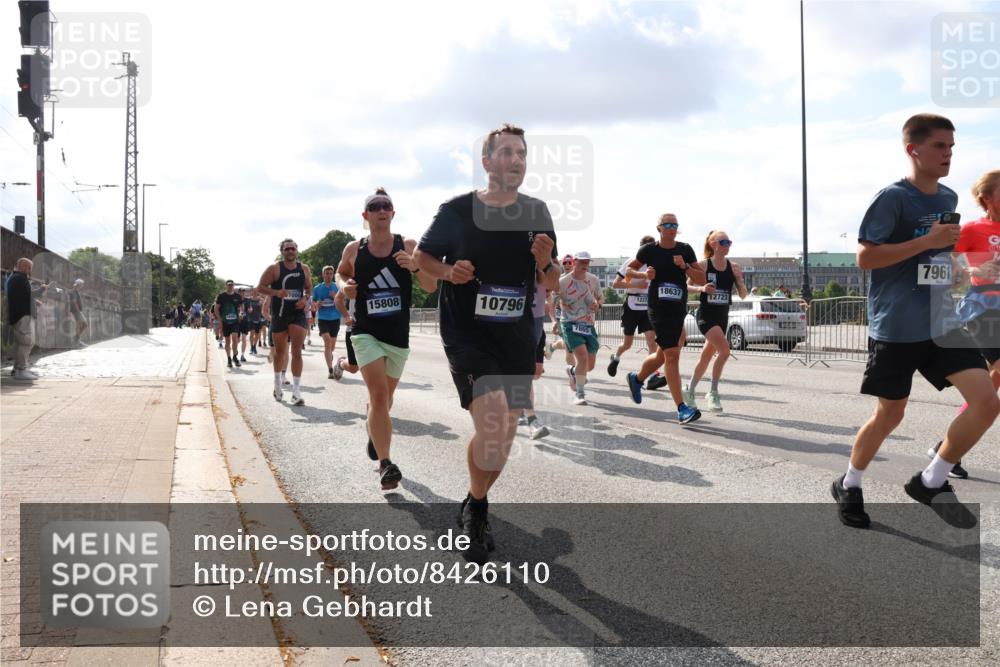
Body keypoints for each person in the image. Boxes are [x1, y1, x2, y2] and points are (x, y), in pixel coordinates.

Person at [832, 113, 999, 530]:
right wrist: (927, 241)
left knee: (987, 402)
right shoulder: (893, 198)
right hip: (896, 326)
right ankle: (849, 483)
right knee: (890, 415)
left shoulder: (948, 198)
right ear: (914, 149)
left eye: (952, 147)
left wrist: (964, 272)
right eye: (940, 146)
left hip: (941, 322)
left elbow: (936, 262)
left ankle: (931, 480)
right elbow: (866, 257)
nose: (948, 154)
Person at [413, 123, 559, 564]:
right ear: (486, 161)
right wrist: (447, 271)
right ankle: (477, 513)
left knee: (503, 439)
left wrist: (544, 261)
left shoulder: (537, 212)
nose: (517, 160)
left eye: (522, 153)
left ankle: (474, 502)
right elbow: (422, 259)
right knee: (493, 423)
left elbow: (549, 281)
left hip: (515, 337)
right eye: (508, 152)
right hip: (467, 332)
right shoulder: (457, 210)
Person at [338, 187, 438, 490]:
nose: (382, 210)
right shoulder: (354, 249)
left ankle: (374, 431)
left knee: (384, 401)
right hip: (366, 330)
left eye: (387, 206)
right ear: (365, 215)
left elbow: (431, 286)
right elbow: (343, 274)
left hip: (397, 335)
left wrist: (415, 265)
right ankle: (385, 464)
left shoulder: (408, 245)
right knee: (379, 396)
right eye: (375, 206)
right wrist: (344, 287)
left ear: (392, 213)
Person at [931, 168, 1000, 478]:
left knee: (991, 385)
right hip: (982, 306)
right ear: (987, 198)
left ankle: (947, 447)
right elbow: (946, 264)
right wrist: (975, 272)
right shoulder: (973, 229)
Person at [623, 213, 706, 424]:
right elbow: (629, 271)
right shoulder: (649, 250)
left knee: (662, 355)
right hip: (657, 308)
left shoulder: (685, 249)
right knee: (672, 354)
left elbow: (701, 278)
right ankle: (682, 408)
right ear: (659, 228)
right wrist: (644, 275)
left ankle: (637, 378)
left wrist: (685, 267)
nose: (671, 227)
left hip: (678, 308)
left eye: (675, 225)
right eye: (667, 224)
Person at [684, 230, 748, 412]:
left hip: (722, 315)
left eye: (729, 242)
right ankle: (713, 393)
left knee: (705, 357)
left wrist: (740, 281)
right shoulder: (703, 265)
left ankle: (689, 389)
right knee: (725, 351)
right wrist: (703, 289)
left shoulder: (733, 266)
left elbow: (743, 295)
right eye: (723, 242)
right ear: (712, 244)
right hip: (706, 315)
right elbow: (686, 286)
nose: (726, 246)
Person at [257, 239, 312, 405]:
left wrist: (305, 298)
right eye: (287, 249)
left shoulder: (304, 269)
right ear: (282, 251)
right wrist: (276, 292)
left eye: (293, 248)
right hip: (279, 314)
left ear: (297, 250)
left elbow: (309, 287)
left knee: (297, 351)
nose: (290, 251)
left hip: (297, 314)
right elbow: (260, 287)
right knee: (280, 353)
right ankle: (277, 385)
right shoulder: (274, 269)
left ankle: (296, 392)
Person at [555, 250, 603, 405]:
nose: (585, 265)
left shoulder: (591, 281)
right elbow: (552, 296)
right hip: (570, 323)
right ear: (574, 262)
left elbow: (598, 298)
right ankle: (580, 394)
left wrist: (597, 305)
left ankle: (573, 371)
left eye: (587, 262)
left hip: (588, 324)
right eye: (581, 262)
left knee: (589, 365)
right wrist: (561, 303)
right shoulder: (563, 281)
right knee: (582, 357)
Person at [608, 235, 657, 377]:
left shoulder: (655, 264)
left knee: (651, 340)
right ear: (641, 249)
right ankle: (616, 356)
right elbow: (616, 284)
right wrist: (636, 283)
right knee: (627, 344)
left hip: (648, 306)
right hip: (632, 305)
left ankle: (653, 374)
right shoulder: (631, 262)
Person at [4, 258, 46, 381]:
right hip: (23, 315)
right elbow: (31, 294)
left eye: (30, 268)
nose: (29, 270)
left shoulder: (15, 278)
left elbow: (24, 295)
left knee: (22, 343)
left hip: (20, 314)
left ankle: (18, 368)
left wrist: (34, 301)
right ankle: (21, 370)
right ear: (21, 266)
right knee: (27, 342)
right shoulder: (20, 278)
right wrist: (43, 288)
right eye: (27, 267)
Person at [313, 266, 342, 379]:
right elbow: (314, 302)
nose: (329, 275)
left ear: (333, 274)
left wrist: (335, 296)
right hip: (323, 318)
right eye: (327, 273)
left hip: (335, 318)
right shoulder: (317, 288)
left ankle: (329, 356)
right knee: (327, 341)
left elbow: (343, 300)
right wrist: (317, 304)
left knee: (332, 346)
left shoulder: (337, 286)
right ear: (323, 274)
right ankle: (330, 369)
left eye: (331, 273)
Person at [214, 281, 243, 369]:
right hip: (225, 322)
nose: (230, 286)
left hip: (235, 321)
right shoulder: (221, 296)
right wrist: (219, 319)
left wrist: (241, 313)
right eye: (229, 285)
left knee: (235, 339)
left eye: (232, 285)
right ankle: (229, 359)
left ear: (234, 286)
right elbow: (216, 308)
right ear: (226, 286)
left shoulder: (237, 296)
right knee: (227, 341)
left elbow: (241, 306)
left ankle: (235, 356)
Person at [333, 288, 360, 379]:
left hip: (377, 330)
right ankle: (341, 364)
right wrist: (346, 316)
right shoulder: (354, 279)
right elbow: (338, 299)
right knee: (353, 368)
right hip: (354, 328)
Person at [69, 278, 88, 346]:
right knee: (81, 324)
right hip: (76, 310)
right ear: (78, 284)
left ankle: (77, 339)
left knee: (84, 324)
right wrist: (78, 311)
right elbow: (74, 302)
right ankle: (77, 340)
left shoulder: (76, 291)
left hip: (78, 310)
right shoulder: (73, 291)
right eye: (81, 285)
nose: (82, 286)